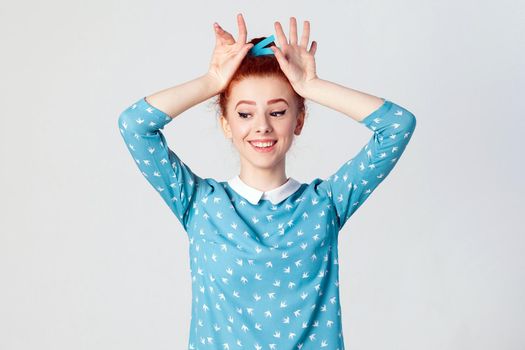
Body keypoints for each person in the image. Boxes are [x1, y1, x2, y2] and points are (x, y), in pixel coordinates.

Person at [117, 13, 416, 350]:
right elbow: (134, 125)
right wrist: (213, 80)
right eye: (245, 113)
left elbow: (397, 126)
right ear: (227, 124)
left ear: (298, 120)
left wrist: (311, 87)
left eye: (277, 112)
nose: (261, 126)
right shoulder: (200, 204)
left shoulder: (324, 205)